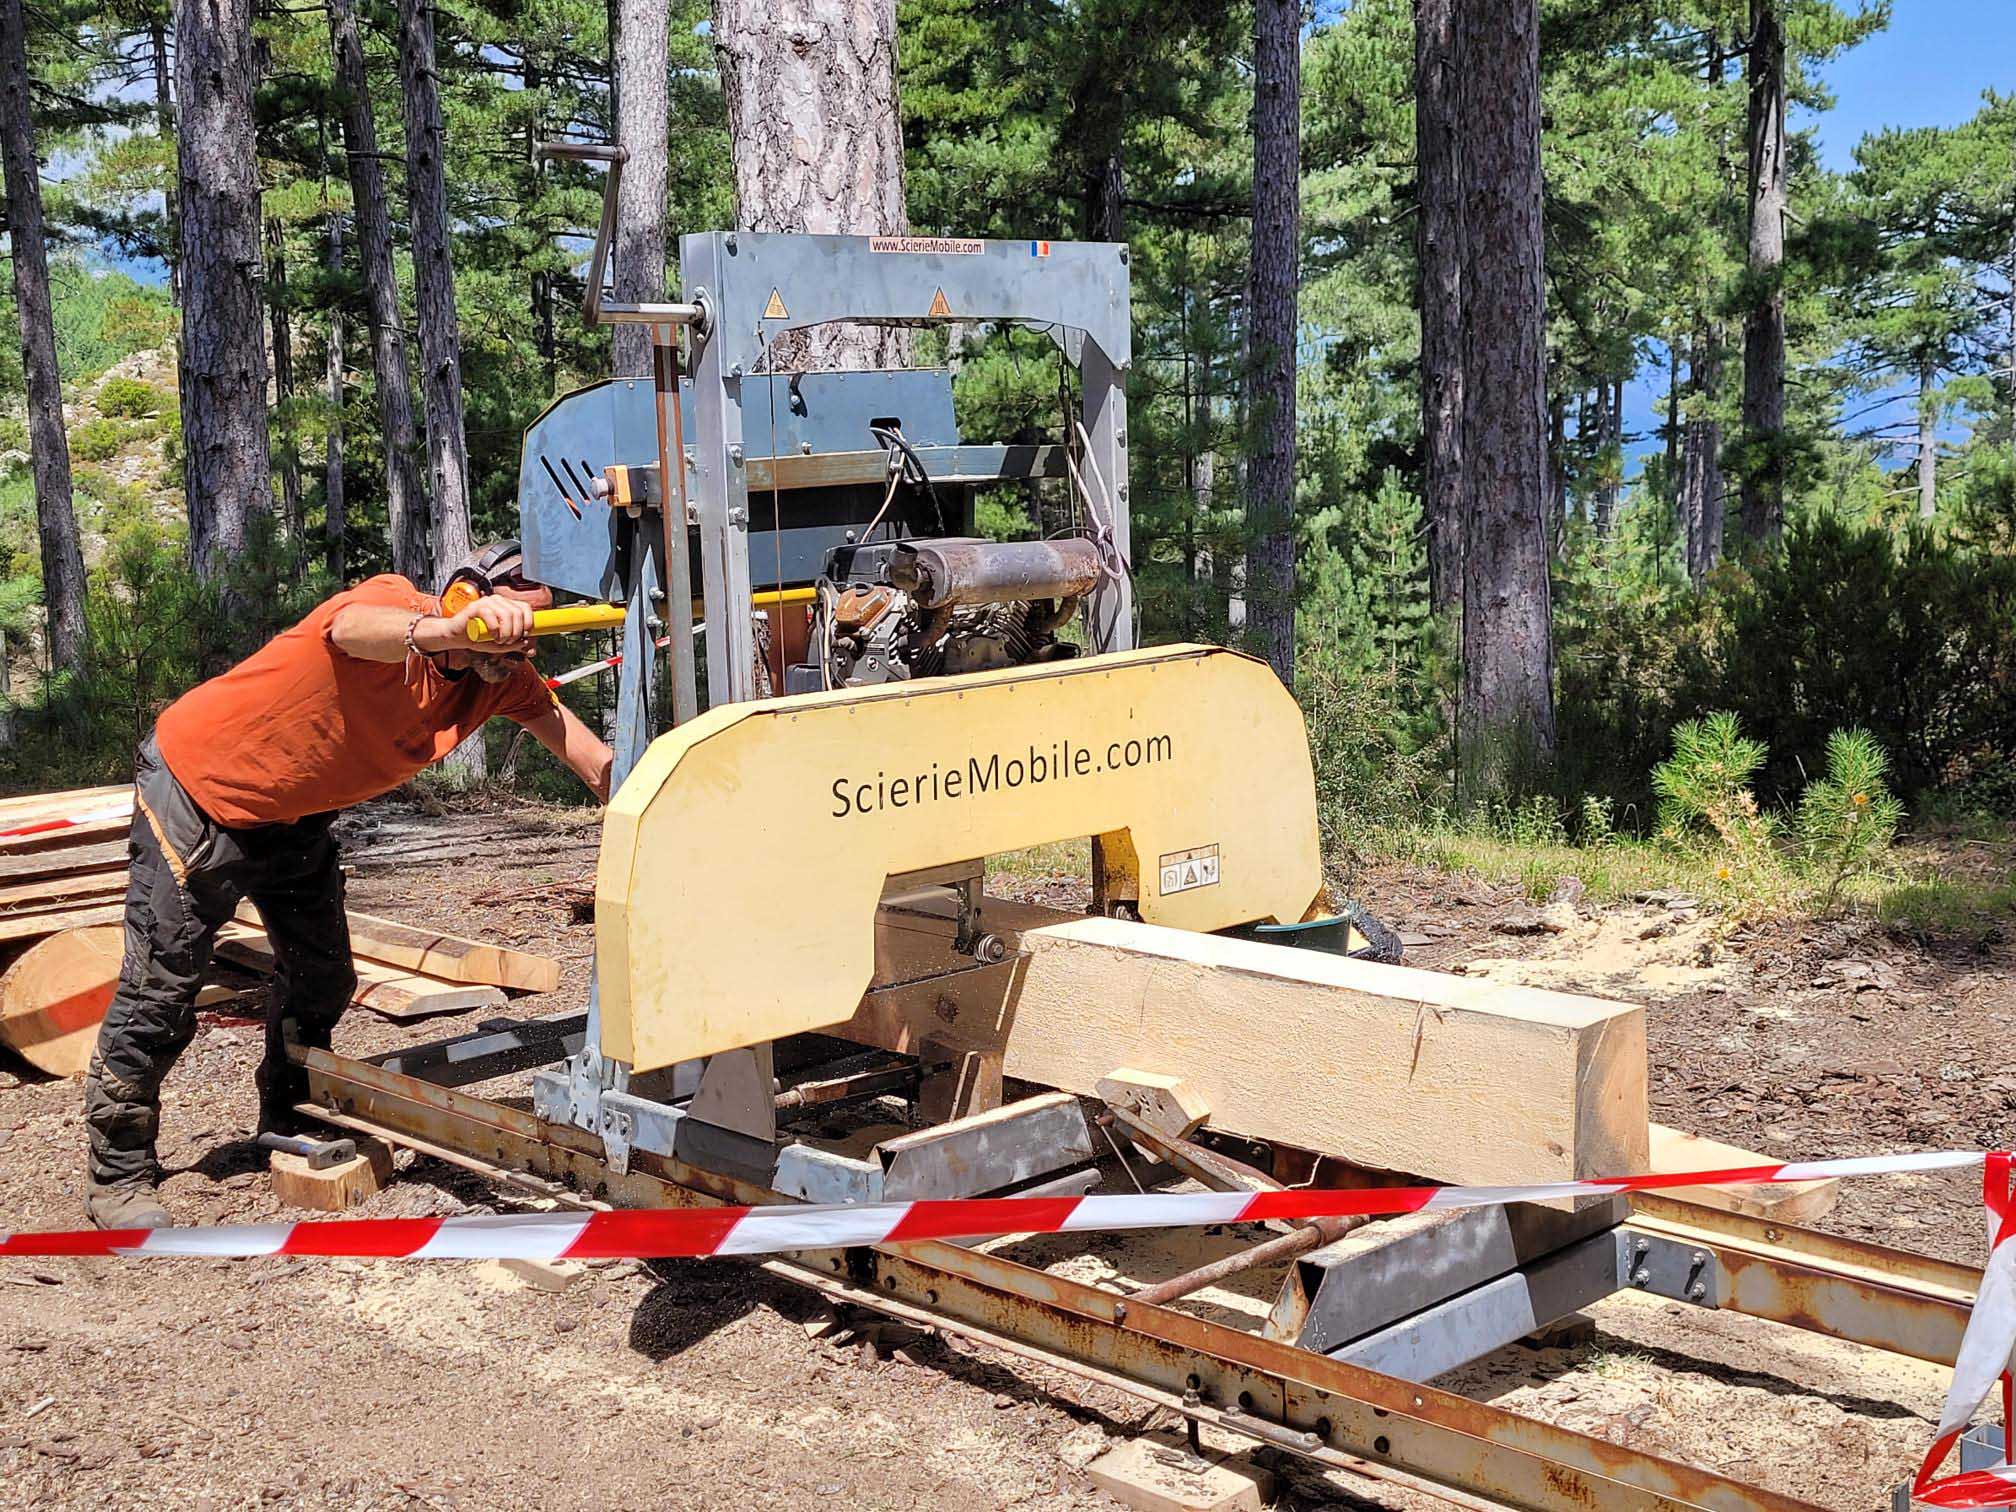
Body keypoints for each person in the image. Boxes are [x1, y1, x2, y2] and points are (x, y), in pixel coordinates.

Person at [82, 542, 613, 1230]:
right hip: (201, 787)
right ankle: (118, 1173)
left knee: (322, 977)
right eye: (504, 626)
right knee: (162, 986)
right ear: (462, 597)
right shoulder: (397, 608)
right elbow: (351, 628)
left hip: (294, 813)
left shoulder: (502, 679)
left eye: (527, 639)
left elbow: (594, 762)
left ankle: (290, 1111)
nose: (513, 652)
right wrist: (452, 631)